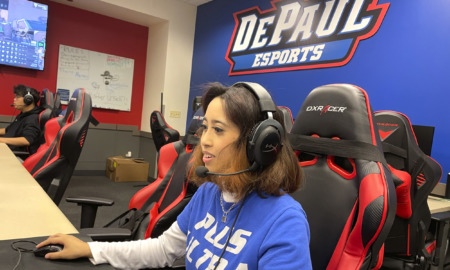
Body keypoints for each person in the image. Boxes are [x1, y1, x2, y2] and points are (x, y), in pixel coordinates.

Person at [36, 82, 312, 269]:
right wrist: (92, 249)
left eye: (218, 129)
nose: (204, 140)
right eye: (205, 128)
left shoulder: (285, 220)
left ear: (258, 145)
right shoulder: (207, 193)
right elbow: (163, 249)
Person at [0, 84, 42, 155]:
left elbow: (27, 140)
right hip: (7, 149)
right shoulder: (23, 114)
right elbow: (8, 130)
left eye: (17, 97)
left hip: (15, 155)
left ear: (28, 100)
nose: (14, 99)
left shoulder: (33, 118)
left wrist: (1, 140)